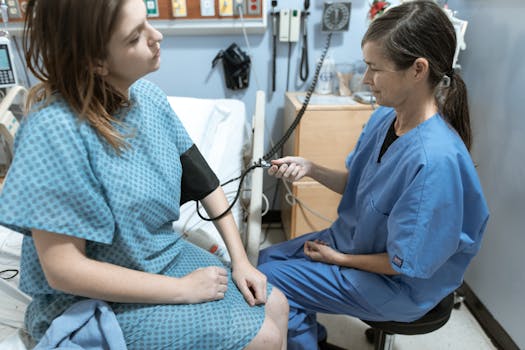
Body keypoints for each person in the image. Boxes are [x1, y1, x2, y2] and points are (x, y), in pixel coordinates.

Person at [0, 0, 289, 349]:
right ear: (96, 62)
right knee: (265, 339)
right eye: (136, 36)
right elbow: (63, 271)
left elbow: (205, 183)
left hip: (161, 255)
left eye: (148, 23)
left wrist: (241, 261)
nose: (158, 36)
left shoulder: (149, 98)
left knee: (277, 304)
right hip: (94, 296)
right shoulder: (54, 130)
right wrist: (182, 290)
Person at [258, 1, 489, 349]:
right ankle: (308, 335)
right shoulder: (386, 117)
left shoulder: (434, 162)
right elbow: (359, 186)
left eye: (374, 68)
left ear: (417, 69)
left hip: (398, 284)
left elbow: (405, 264)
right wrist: (310, 168)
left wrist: (339, 260)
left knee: (269, 282)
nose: (365, 79)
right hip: (356, 242)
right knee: (264, 258)